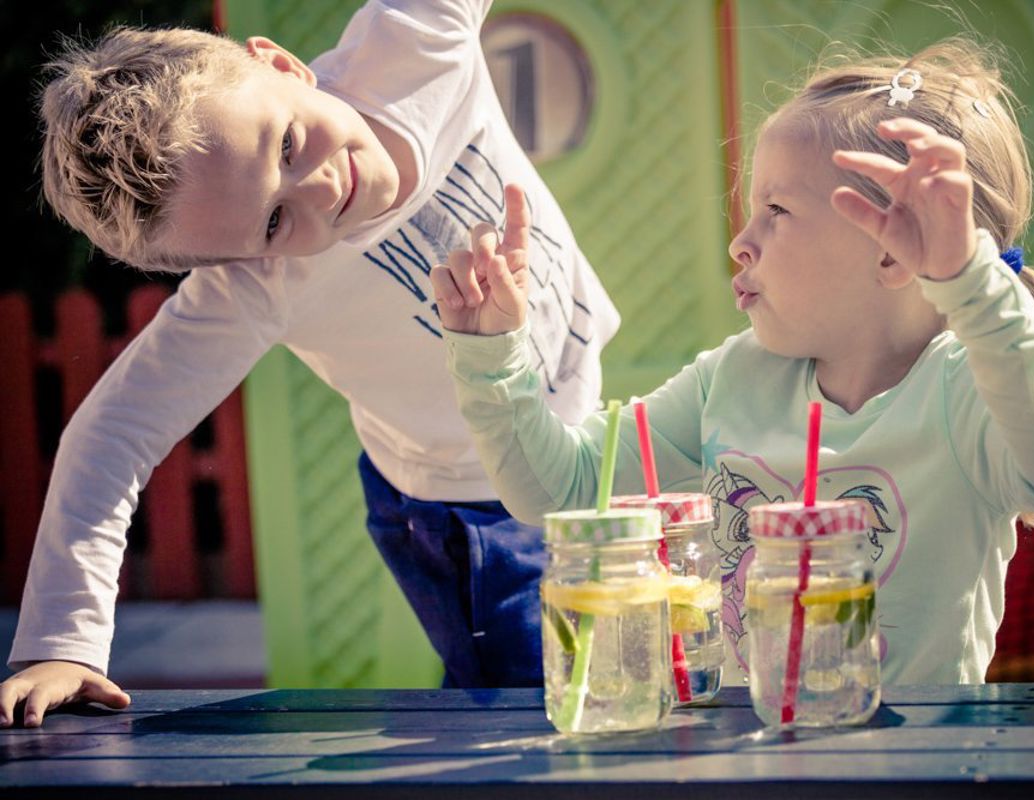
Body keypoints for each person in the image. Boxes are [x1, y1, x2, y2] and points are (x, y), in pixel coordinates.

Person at [1, 0, 619, 727]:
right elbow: (112, 434)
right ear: (241, 259)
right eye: (273, 221)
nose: (322, 188)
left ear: (281, 65)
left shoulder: (413, 46)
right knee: (533, 710)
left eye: (289, 144)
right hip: (472, 506)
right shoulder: (255, 288)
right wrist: (60, 643)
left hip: (583, 427)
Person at [434, 38, 1034, 684]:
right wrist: (493, 355)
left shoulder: (968, 387)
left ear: (889, 250)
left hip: (920, 769)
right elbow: (560, 491)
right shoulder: (734, 378)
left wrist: (969, 283)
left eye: (776, 211)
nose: (741, 242)